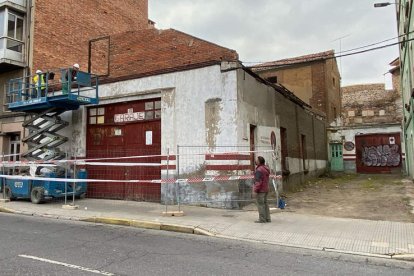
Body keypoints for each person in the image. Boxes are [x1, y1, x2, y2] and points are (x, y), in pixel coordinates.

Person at [253, 156, 271, 223]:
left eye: (256, 160)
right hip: (266, 189)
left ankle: (262, 219)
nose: (255, 161)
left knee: (260, 205)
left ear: (259, 161)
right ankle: (268, 218)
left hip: (260, 190)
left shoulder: (259, 170)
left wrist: (255, 190)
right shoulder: (266, 168)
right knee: (265, 204)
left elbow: (258, 182)